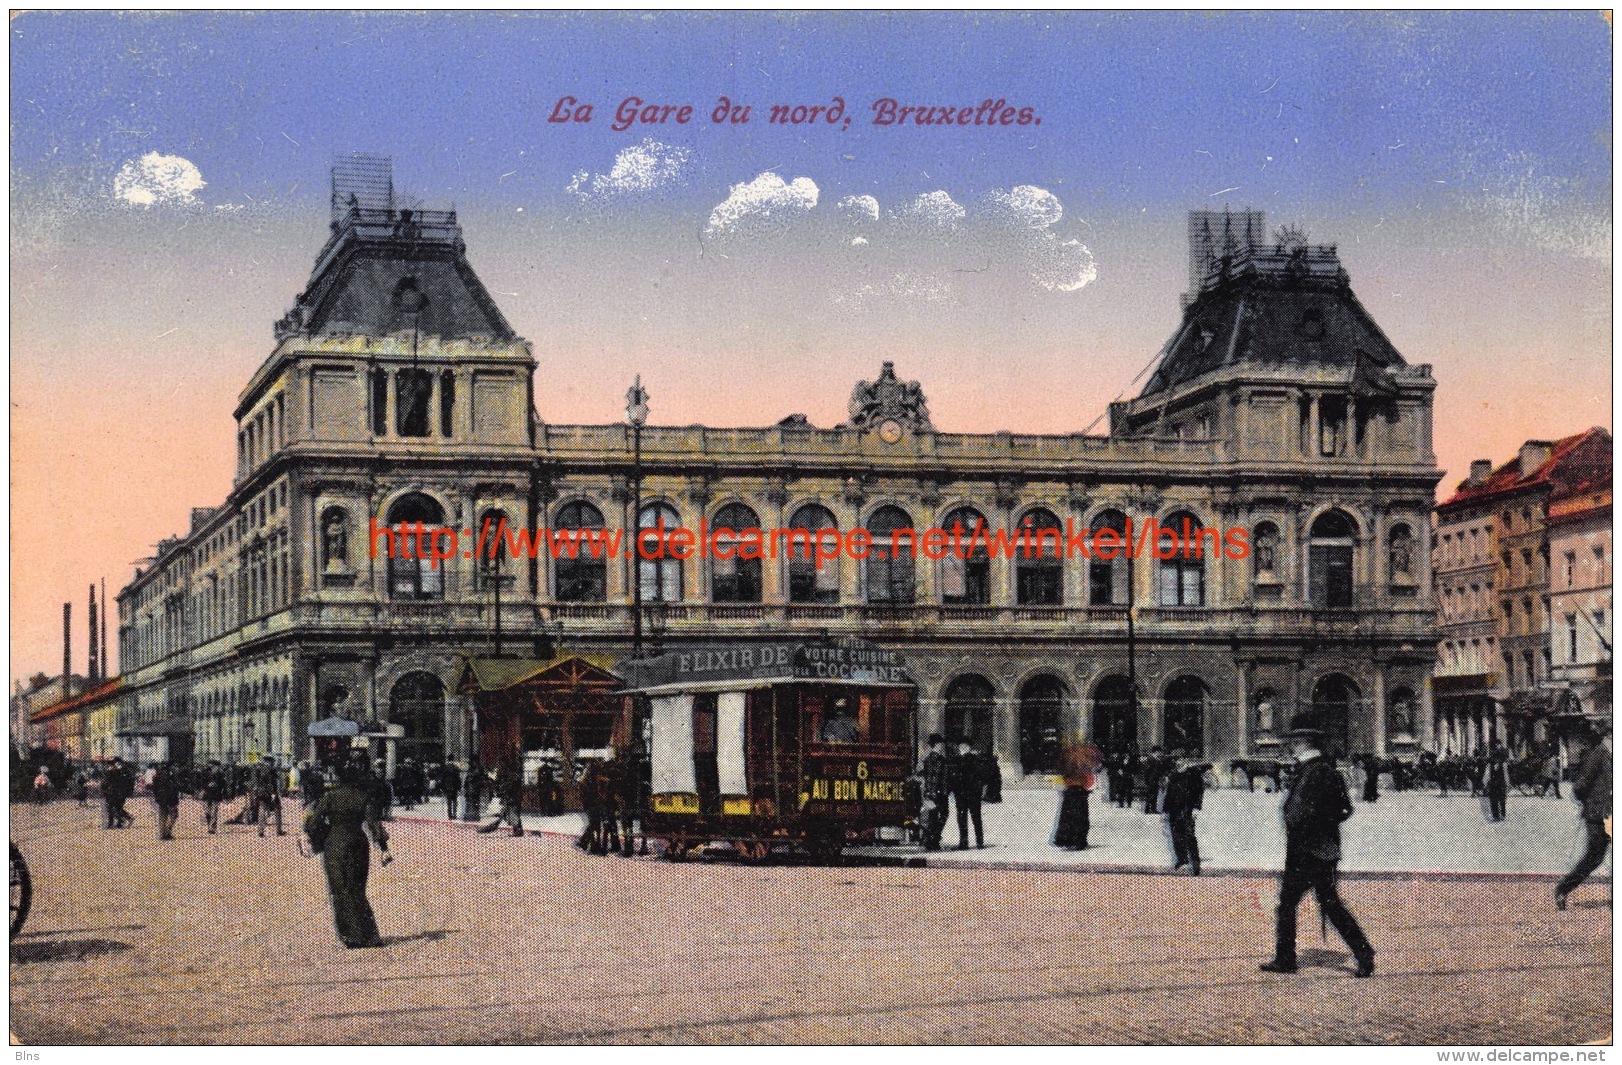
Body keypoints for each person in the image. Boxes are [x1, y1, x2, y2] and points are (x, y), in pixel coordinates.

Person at [1261, 715, 1375, 979]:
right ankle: (1363, 952)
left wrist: (1311, 825)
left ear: (1302, 743)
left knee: (1292, 903)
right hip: (1319, 850)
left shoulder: (1315, 770)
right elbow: (1344, 809)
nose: (1290, 747)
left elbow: (1322, 810)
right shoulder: (1322, 769)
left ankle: (1287, 958)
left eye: (1294, 742)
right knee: (1327, 903)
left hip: (1307, 851)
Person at [303, 754, 391, 949]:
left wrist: (314, 838)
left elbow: (313, 823)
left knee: (340, 889)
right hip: (359, 843)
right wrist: (384, 849)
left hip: (335, 845)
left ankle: (351, 935)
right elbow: (374, 825)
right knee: (358, 888)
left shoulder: (329, 797)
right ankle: (370, 935)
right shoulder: (363, 797)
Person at [1556, 724, 1612, 910]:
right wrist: (1587, 802)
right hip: (1597, 814)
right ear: (1608, 736)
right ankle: (1563, 888)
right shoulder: (1597, 756)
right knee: (1594, 857)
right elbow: (1579, 786)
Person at [1163, 758, 1209, 875]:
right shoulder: (1173, 776)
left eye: (1182, 764)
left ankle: (1195, 863)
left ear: (1186, 765)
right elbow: (1169, 793)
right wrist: (1165, 810)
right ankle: (1181, 859)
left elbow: (1199, 792)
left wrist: (1197, 808)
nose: (1180, 767)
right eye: (1178, 765)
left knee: (1189, 836)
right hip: (1174, 810)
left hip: (1187, 809)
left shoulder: (1193, 776)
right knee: (1176, 836)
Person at [1052, 743, 1097, 850]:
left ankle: (1067, 839)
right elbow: (1089, 781)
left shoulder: (1068, 765)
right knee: (1080, 817)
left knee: (1068, 817)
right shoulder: (1085, 766)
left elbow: (1063, 779)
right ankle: (1079, 840)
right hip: (1080, 792)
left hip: (1070, 792)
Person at [949, 740, 985, 850]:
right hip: (973, 794)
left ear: (962, 748)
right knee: (976, 818)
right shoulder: (978, 760)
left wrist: (953, 790)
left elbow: (953, 778)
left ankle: (964, 842)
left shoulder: (957, 760)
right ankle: (980, 842)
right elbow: (982, 777)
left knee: (962, 818)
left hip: (961, 794)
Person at [478, 756, 525, 837]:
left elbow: (507, 786)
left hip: (512, 797)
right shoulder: (505, 774)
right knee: (509, 813)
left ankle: (518, 830)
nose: (499, 766)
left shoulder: (512, 776)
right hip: (509, 797)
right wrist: (492, 782)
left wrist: (499, 786)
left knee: (512, 813)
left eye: (501, 764)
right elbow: (499, 784)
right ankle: (517, 830)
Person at [919, 734, 950, 852]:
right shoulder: (940, 760)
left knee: (933, 817)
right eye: (940, 744)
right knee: (943, 814)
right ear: (937, 745)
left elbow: (925, 776)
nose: (941, 746)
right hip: (939, 793)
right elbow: (938, 778)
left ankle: (930, 841)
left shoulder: (926, 760)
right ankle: (934, 839)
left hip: (931, 793)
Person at [254, 758, 286, 837]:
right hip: (270, 793)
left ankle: (260, 831)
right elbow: (271, 782)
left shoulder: (259, 769)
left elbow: (255, 781)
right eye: (272, 761)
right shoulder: (271, 770)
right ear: (270, 761)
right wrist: (273, 794)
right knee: (277, 810)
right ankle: (278, 830)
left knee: (261, 810)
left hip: (261, 793)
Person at [151, 761, 182, 841]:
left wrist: (157, 797)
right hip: (168, 799)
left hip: (163, 799)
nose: (176, 768)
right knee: (172, 815)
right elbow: (172, 788)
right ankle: (166, 833)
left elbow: (154, 788)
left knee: (163, 817)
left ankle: (163, 834)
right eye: (174, 766)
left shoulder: (158, 775)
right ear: (170, 767)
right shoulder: (169, 775)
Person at [102, 758, 134, 829]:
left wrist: (109, 772)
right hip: (115, 792)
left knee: (112, 808)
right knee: (117, 808)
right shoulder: (118, 771)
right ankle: (121, 821)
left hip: (115, 793)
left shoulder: (117, 772)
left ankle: (114, 823)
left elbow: (109, 782)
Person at [1485, 742, 1509, 822]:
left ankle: (1497, 815)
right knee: (1499, 799)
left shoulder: (1492, 764)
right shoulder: (1502, 764)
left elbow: (1487, 774)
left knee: (1496, 799)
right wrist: (1507, 783)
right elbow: (1506, 775)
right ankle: (1501, 815)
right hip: (1499, 783)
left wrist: (1485, 783)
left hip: (1495, 783)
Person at [200, 760, 226, 833]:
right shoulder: (205, 772)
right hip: (207, 793)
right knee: (207, 811)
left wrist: (218, 787)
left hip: (216, 793)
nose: (215, 768)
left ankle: (212, 828)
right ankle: (209, 825)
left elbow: (223, 784)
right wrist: (207, 785)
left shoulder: (220, 774)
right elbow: (201, 783)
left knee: (214, 811)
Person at [463, 757, 486, 823]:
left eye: (474, 762)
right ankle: (471, 815)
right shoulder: (472, 769)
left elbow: (479, 777)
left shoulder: (478, 770)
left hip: (475, 788)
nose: (473, 763)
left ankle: (475, 816)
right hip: (471, 788)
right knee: (470, 802)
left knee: (475, 802)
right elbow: (467, 779)